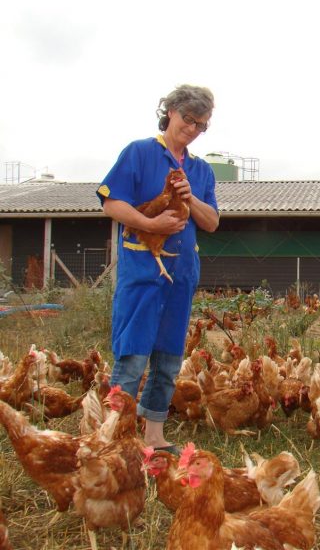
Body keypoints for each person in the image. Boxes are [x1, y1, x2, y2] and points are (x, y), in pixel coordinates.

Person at [96, 84, 219, 454]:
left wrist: (189, 197)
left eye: (202, 124)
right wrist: (151, 225)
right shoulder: (140, 153)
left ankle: (153, 436)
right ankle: (114, 435)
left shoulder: (201, 170)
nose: (193, 128)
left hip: (180, 276)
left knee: (168, 357)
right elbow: (111, 203)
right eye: (189, 119)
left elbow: (211, 222)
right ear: (170, 112)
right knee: (133, 354)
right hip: (142, 272)